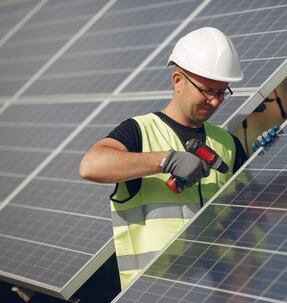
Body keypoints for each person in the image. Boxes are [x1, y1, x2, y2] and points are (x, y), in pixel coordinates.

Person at [79, 27, 248, 289]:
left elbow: (253, 214)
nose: (214, 101)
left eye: (221, 92)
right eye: (206, 90)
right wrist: (165, 160)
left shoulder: (228, 143)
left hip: (213, 293)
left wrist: (269, 156)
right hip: (152, 295)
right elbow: (91, 165)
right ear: (177, 80)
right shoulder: (140, 131)